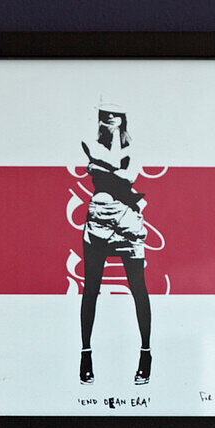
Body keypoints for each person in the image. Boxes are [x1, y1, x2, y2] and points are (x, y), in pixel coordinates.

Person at [79, 106, 151, 385]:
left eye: (116, 115)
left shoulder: (134, 146)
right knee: (91, 288)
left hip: (128, 221)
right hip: (99, 219)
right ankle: (86, 355)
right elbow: (119, 167)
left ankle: (145, 354)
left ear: (124, 119)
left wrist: (101, 170)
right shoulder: (90, 143)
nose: (110, 119)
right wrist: (114, 170)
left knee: (138, 288)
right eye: (105, 114)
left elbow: (129, 176)